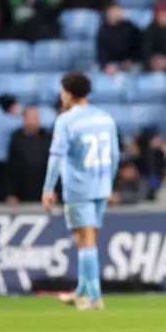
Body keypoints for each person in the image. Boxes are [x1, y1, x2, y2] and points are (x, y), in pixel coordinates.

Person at [43, 72, 120, 311]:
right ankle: (83, 290)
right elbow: (115, 155)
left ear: (67, 92)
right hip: (101, 185)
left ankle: (93, 297)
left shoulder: (66, 120)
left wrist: (48, 188)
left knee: (84, 240)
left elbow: (56, 156)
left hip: (78, 187)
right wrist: (109, 183)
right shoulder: (105, 118)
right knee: (88, 239)